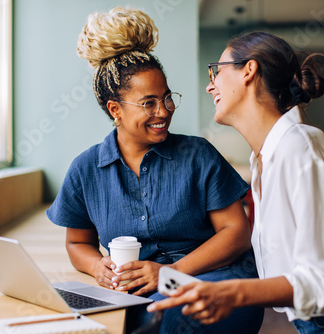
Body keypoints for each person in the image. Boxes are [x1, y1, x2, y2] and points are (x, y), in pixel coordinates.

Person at [147, 31, 324, 333]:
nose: (210, 85)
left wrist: (231, 292)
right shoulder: (265, 159)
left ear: (248, 71)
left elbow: (321, 281)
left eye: (216, 71)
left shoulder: (301, 149)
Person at [46, 7, 264, 333]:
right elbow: (78, 243)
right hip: (139, 289)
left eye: (166, 98)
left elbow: (235, 234)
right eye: (149, 103)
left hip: (216, 276)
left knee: (170, 313)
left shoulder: (197, 154)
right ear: (115, 110)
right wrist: (97, 268)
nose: (164, 111)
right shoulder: (86, 169)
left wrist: (169, 271)